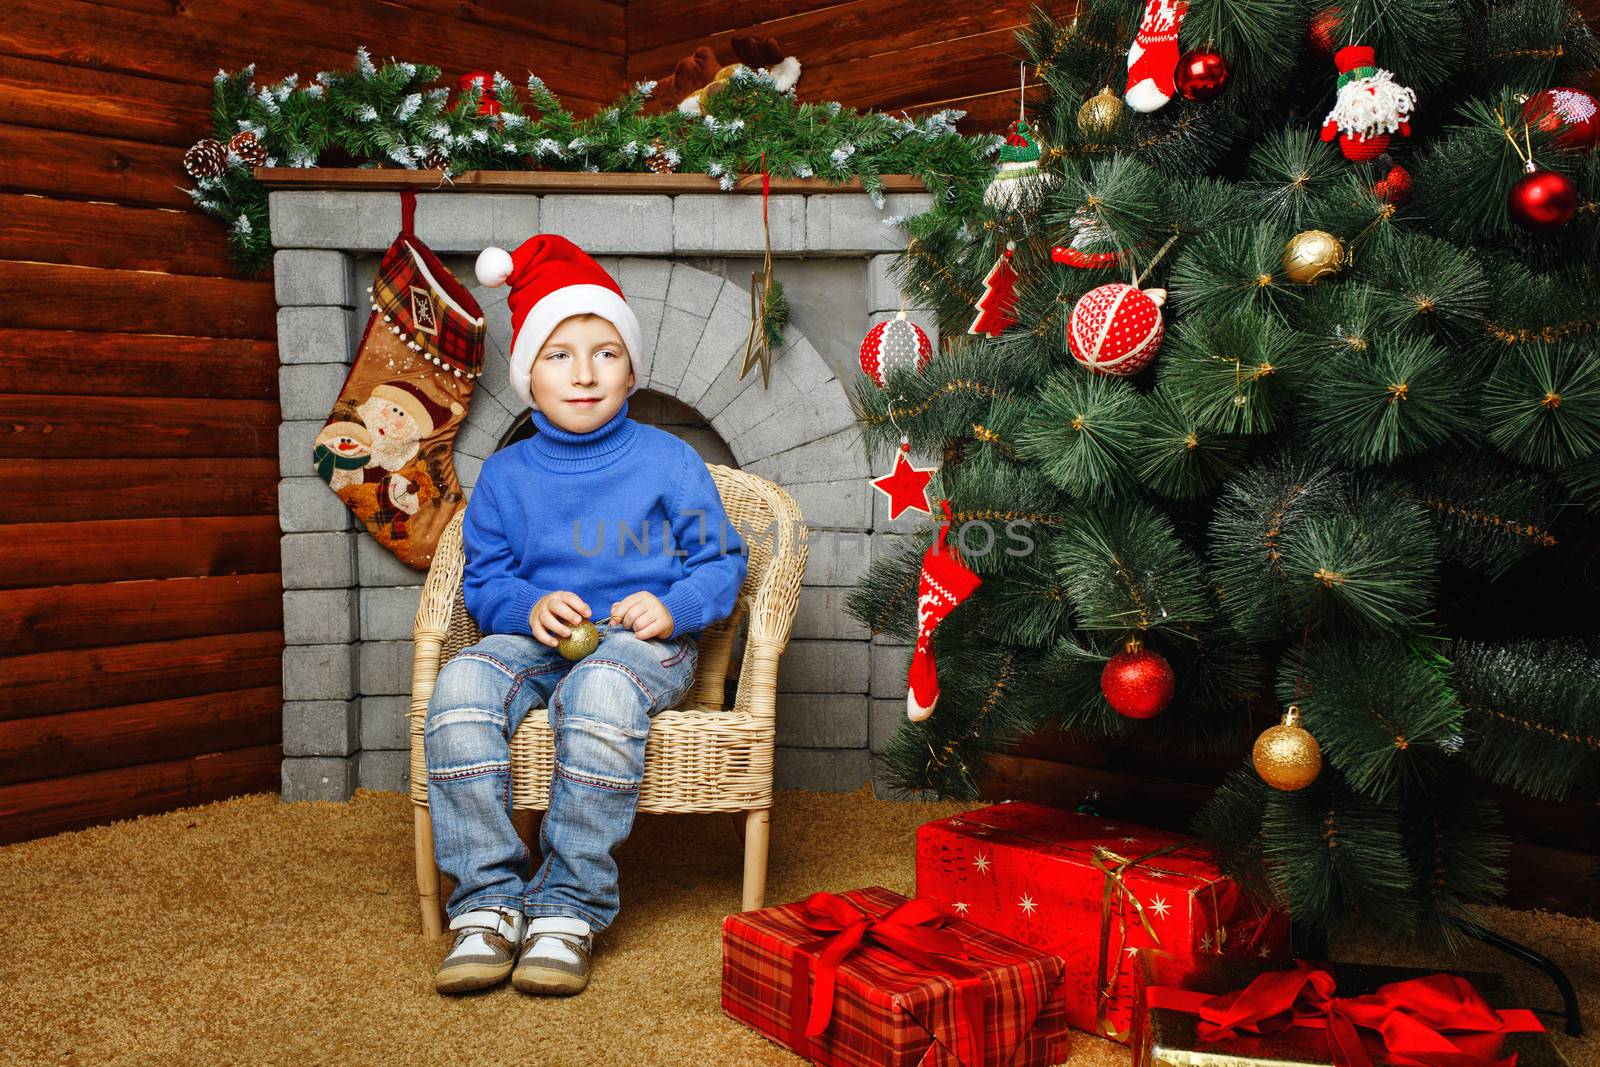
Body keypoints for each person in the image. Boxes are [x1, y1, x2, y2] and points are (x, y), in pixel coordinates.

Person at [425, 234, 747, 996]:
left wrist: (672, 607)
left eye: (605, 353)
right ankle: (488, 901)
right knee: (461, 687)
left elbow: (722, 563)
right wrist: (527, 605)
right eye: (559, 354)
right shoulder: (503, 475)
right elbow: (488, 579)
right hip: (534, 640)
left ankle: (569, 905)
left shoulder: (668, 461)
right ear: (528, 375)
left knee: (599, 687)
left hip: (640, 645)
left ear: (632, 371)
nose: (583, 372)